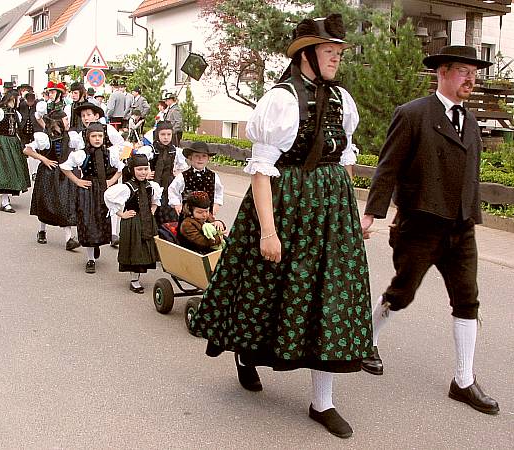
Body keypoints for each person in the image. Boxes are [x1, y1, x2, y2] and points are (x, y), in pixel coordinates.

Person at [188, 15, 371, 439]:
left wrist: (351, 214)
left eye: (339, 54)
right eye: (329, 53)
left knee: (333, 297)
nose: (335, 61)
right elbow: (262, 172)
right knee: (265, 289)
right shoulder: (280, 100)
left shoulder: (343, 99)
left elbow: (343, 162)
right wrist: (268, 233)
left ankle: (322, 401)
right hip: (284, 207)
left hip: (330, 213)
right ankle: (246, 356)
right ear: (306, 54)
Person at [360, 45, 499, 415]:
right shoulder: (413, 114)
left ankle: (464, 380)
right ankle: (366, 342)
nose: (471, 79)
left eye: (474, 73)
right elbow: (387, 168)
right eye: (463, 72)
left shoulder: (470, 122)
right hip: (419, 226)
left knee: (467, 299)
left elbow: (469, 175)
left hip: (461, 226)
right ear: (442, 73)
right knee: (401, 294)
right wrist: (372, 214)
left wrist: (469, 215)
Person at [60, 122, 122, 274]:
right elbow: (64, 167)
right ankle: (90, 259)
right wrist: (77, 181)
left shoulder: (109, 153)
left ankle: (95, 245)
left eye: (100, 136)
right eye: (94, 136)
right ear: (88, 138)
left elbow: (121, 168)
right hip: (87, 190)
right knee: (88, 222)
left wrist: (110, 181)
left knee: (100, 220)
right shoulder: (82, 154)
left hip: (102, 190)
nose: (97, 139)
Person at [24, 110, 84, 251]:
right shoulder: (44, 137)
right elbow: (27, 150)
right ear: (57, 122)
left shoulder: (71, 136)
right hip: (48, 174)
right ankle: (42, 230)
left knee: (66, 204)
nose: (68, 122)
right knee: (45, 203)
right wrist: (44, 159)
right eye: (65, 120)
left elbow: (79, 151)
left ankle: (69, 239)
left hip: (65, 174)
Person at [104, 154, 162, 293]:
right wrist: (121, 214)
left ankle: (139, 274)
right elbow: (108, 197)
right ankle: (134, 280)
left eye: (145, 169)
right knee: (135, 248)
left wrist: (152, 211)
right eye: (139, 169)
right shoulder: (126, 187)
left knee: (144, 248)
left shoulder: (152, 186)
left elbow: (156, 201)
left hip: (147, 221)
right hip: (133, 223)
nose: (143, 172)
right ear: (132, 170)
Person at [0, 90, 31, 213]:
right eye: (16, 99)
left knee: (13, 170)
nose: (18, 102)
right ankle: (4, 202)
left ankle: (6, 199)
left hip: (13, 144)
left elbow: (17, 130)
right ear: (11, 99)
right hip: (3, 143)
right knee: (5, 170)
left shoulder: (16, 113)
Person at [168, 141, 224, 219]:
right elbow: (173, 190)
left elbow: (219, 191)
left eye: (204, 156)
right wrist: (177, 204)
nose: (200, 159)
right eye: (197, 156)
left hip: (207, 215)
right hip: (188, 216)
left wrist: (217, 204)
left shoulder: (213, 176)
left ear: (208, 158)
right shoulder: (183, 176)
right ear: (190, 158)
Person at [148, 120, 189, 227]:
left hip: (169, 184)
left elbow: (183, 168)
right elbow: (136, 162)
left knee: (169, 211)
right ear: (157, 134)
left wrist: (177, 173)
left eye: (168, 134)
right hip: (153, 184)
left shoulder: (175, 151)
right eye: (162, 134)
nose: (166, 137)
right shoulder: (151, 150)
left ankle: (166, 236)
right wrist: (147, 171)